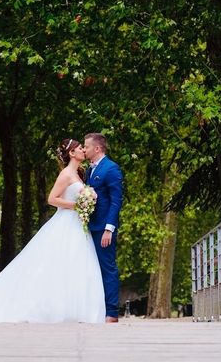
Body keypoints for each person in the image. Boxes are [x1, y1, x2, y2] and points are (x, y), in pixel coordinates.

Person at [0, 138, 105, 323]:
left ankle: (74, 310)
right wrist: (76, 205)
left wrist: (86, 203)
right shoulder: (65, 174)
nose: (83, 150)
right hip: (65, 222)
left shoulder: (81, 174)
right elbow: (52, 199)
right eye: (80, 148)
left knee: (75, 263)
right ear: (71, 153)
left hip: (77, 224)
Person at [84, 133, 123, 323]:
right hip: (89, 226)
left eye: (87, 147)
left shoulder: (111, 169)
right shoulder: (88, 171)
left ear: (97, 149)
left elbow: (116, 201)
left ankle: (112, 313)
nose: (84, 150)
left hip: (103, 229)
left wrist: (109, 229)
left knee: (108, 268)